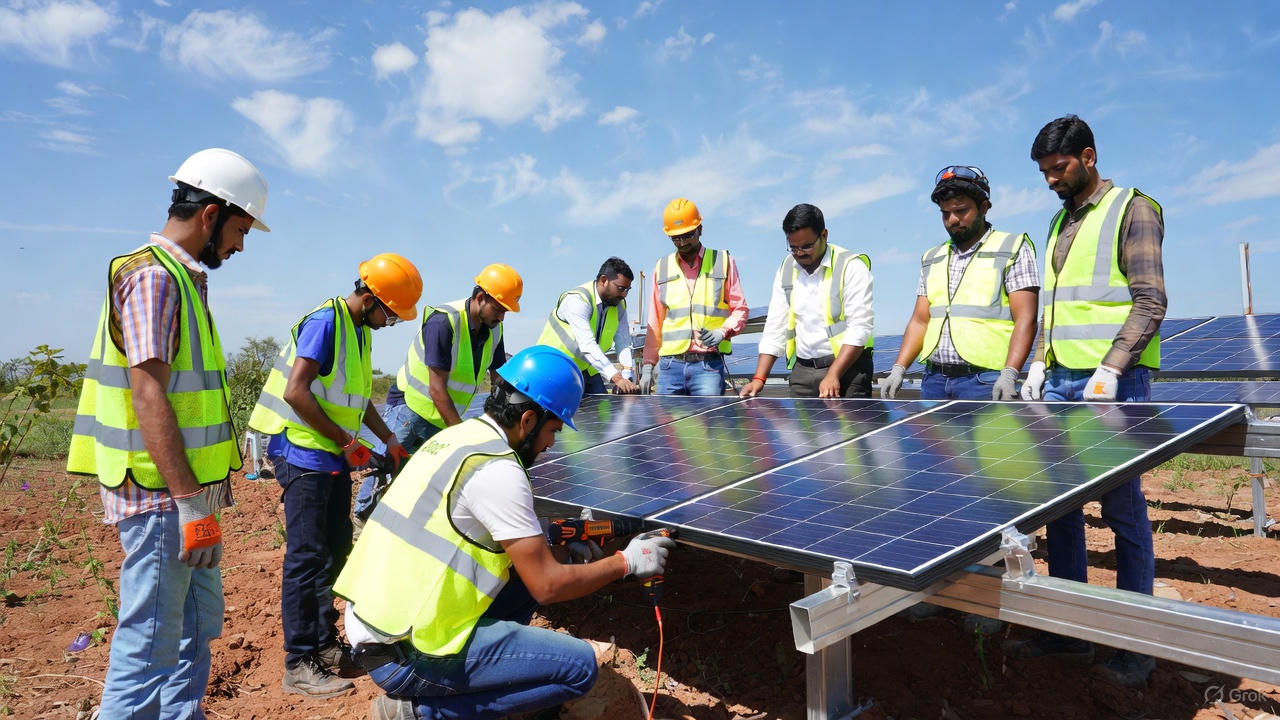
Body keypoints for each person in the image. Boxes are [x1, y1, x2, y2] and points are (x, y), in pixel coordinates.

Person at [334, 346, 677, 720]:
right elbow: (548, 585)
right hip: (406, 651)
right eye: (553, 430)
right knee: (579, 668)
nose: (551, 444)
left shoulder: (458, 438)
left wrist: (554, 545)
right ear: (528, 420)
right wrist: (626, 562)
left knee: (522, 584)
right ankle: (419, 712)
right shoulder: (498, 469)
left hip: (376, 622)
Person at [66, 148, 270, 718]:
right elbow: (148, 394)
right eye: (240, 230)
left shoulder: (181, 277)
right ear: (211, 215)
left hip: (187, 494)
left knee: (195, 626)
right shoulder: (155, 278)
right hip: (163, 498)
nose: (240, 246)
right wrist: (189, 504)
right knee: (150, 644)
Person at [1008, 114, 1166, 686]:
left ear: (1089, 156)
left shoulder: (1133, 209)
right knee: (1061, 510)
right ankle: (1067, 631)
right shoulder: (1059, 221)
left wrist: (1112, 367)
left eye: (1060, 168)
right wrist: (1039, 363)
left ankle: (1134, 642)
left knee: (1121, 509)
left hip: (1113, 384)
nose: (1052, 179)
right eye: (1045, 173)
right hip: (1060, 382)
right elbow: (1057, 308)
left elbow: (1150, 300)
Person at [247, 253, 423, 698]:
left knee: (335, 550)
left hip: (329, 455)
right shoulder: (326, 323)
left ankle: (325, 646)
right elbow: (296, 392)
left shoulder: (358, 332)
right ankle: (298, 662)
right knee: (306, 557)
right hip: (302, 452)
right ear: (371, 298)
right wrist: (348, 443)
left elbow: (357, 400)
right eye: (391, 313)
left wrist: (388, 439)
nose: (391, 322)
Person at [352, 264, 520, 520]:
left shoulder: (494, 328)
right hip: (410, 409)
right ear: (480, 297)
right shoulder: (444, 322)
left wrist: (511, 410)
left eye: (505, 311)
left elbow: (497, 375)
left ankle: (399, 523)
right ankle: (363, 518)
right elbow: (436, 388)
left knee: (420, 478)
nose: (502, 317)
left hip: (442, 416)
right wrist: (462, 436)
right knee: (388, 467)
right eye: (498, 309)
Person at [882, 166, 1039, 402]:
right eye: (945, 213)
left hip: (986, 380)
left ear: (984, 207)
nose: (952, 220)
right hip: (933, 380)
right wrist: (898, 369)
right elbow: (920, 321)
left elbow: (1026, 318)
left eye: (961, 211)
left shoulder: (1012, 248)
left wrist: (1010, 373)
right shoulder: (932, 257)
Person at [740, 203, 874, 399]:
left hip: (848, 370)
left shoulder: (851, 267)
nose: (800, 253)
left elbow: (859, 328)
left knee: (848, 421)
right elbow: (775, 327)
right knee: (802, 421)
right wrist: (759, 379)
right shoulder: (787, 269)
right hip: (802, 372)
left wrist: (833, 375)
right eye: (793, 248)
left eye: (806, 246)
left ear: (824, 235)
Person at [639, 198, 749, 396]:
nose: (682, 242)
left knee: (707, 417)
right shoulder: (662, 267)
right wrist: (648, 365)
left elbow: (740, 309)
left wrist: (723, 331)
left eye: (688, 235)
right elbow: (655, 321)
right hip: (669, 367)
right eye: (676, 238)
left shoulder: (723, 262)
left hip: (707, 365)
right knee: (665, 418)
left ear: (700, 229)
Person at [537, 257, 639, 395]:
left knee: (603, 407)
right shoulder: (577, 301)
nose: (624, 294)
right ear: (604, 280)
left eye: (628, 289)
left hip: (588, 369)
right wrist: (616, 377)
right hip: (554, 368)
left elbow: (623, 340)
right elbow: (587, 345)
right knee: (561, 408)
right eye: (621, 288)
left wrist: (627, 374)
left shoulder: (619, 305)